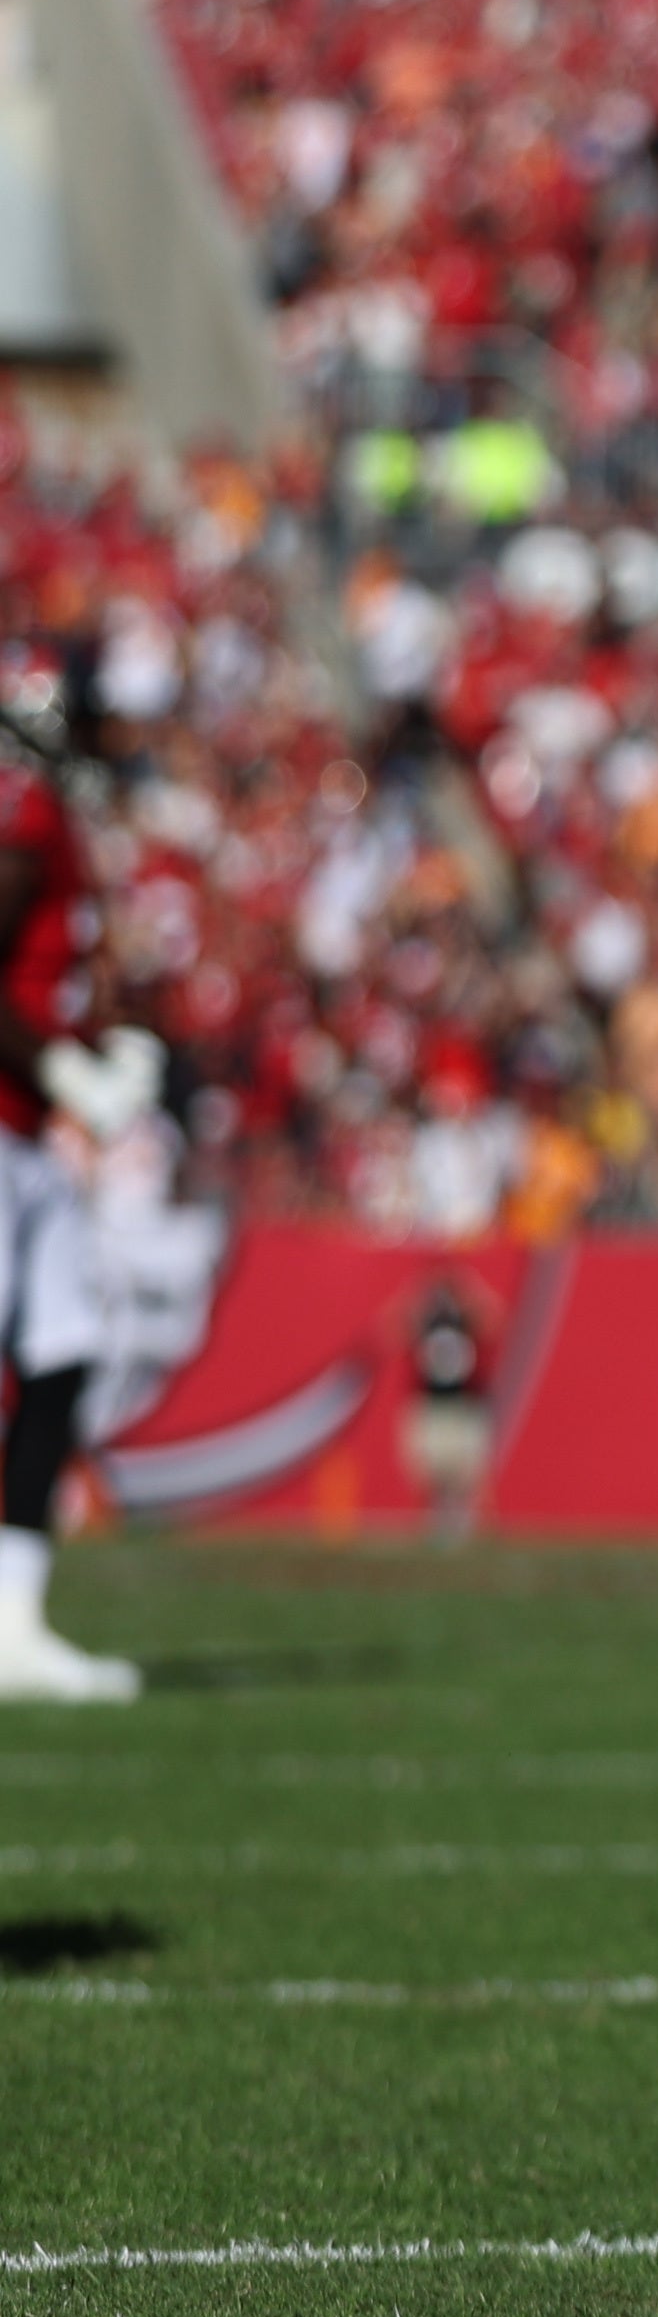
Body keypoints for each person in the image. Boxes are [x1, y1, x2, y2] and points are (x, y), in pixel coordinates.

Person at [0, 649, 134, 1703]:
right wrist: (57, 1065)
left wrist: (95, 1052)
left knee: (62, 1355)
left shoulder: (56, 820)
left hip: (30, 1136)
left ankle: (16, 1622)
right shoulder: (25, 815)